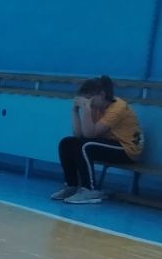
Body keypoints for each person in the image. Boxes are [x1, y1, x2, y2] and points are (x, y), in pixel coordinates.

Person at [54, 75, 143, 205]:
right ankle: (71, 186)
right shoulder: (96, 107)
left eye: (89, 99)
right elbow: (79, 135)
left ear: (102, 95)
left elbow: (89, 135)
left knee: (85, 145)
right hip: (109, 144)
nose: (87, 102)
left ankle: (89, 190)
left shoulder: (118, 107)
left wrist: (86, 109)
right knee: (67, 143)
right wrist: (75, 111)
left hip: (127, 149)